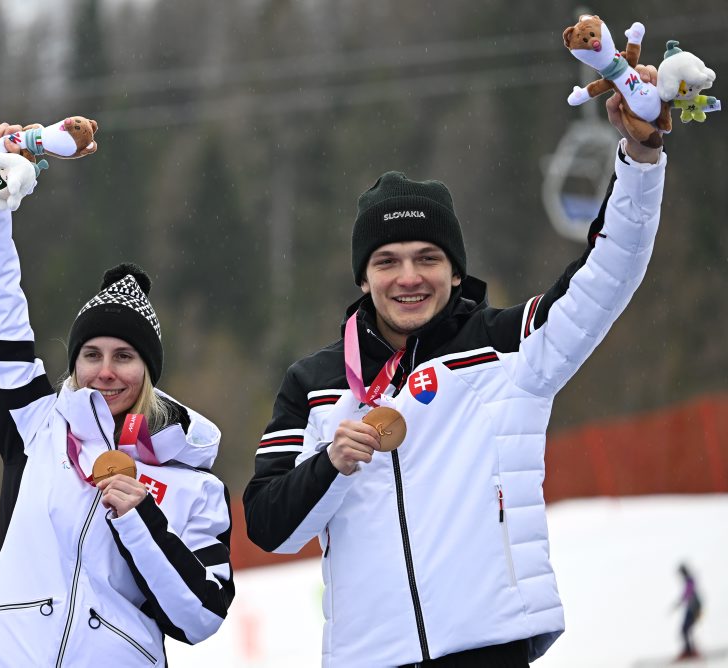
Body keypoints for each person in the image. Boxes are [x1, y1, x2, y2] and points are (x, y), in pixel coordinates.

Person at [243, 71, 668, 666]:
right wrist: (331, 465)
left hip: (487, 647)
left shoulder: (508, 349)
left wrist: (640, 157)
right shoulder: (314, 383)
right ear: (363, 277)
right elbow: (268, 527)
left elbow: (608, 272)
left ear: (455, 271)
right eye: (387, 261)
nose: (409, 277)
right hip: (370, 657)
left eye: (428, 258)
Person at [0, 121, 234, 667]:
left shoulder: (195, 484)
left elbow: (201, 616)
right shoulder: (37, 426)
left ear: (148, 371)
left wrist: (141, 520)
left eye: (125, 357)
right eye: (91, 355)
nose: (106, 372)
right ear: (74, 364)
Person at [674, 563, 703, 660]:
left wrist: (679, 603)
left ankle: (690, 651)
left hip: (693, 609)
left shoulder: (689, 580)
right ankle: (689, 650)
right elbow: (687, 594)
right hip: (691, 609)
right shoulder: (689, 580)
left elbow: (688, 593)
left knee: (685, 629)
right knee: (685, 630)